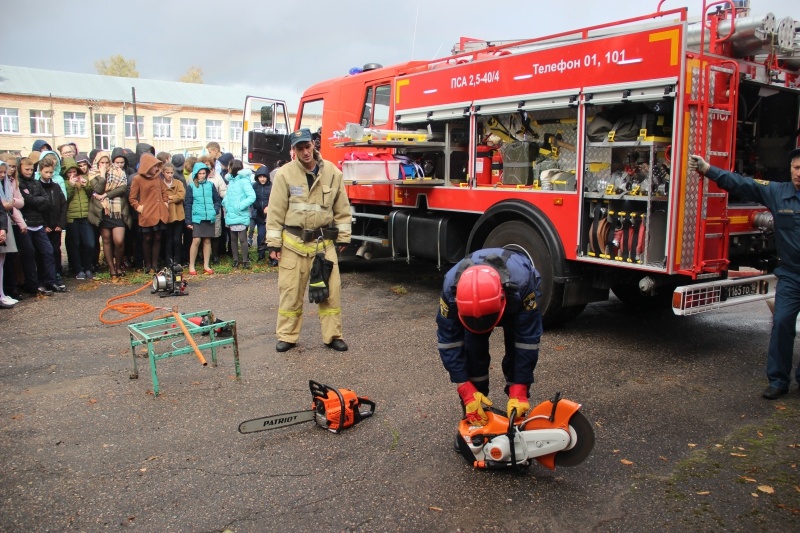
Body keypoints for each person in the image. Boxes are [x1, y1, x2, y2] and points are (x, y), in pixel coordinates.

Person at [690, 150, 800, 400]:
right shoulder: (778, 192)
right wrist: (708, 170)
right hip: (792, 276)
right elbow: (744, 184)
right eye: (795, 168)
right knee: (782, 324)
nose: (798, 173)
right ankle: (778, 380)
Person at [266, 128, 352, 353]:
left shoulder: (332, 172)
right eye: (299, 148)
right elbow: (275, 212)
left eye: (307, 146)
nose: (305, 152)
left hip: (323, 246)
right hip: (293, 245)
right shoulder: (284, 174)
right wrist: (274, 244)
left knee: (331, 294)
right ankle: (287, 336)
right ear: (293, 150)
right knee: (290, 293)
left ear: (313, 145)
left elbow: (342, 208)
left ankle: (333, 336)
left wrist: (343, 236)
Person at [436, 247, 543, 426]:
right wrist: (464, 386)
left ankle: (516, 409)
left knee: (517, 347)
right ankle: (476, 413)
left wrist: (520, 386)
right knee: (473, 352)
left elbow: (527, 341)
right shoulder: (451, 291)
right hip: (475, 303)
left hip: (513, 296)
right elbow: (449, 342)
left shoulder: (523, 285)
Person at [18, 155, 61, 295]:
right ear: (20, 169)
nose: (29, 172)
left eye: (31, 169)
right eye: (26, 169)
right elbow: (27, 201)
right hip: (26, 224)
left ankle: (50, 281)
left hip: (38, 224)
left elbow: (47, 201)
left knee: (49, 252)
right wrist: (37, 201)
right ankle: (33, 285)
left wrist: (35, 202)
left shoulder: (36, 183)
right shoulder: (20, 183)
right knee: (30, 255)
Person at [88, 151, 131, 281]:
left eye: (107, 162)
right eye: (102, 162)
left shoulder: (119, 171)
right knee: (106, 240)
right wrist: (102, 175)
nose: (105, 165)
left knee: (119, 241)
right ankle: (112, 269)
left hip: (117, 210)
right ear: (98, 162)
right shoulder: (93, 174)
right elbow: (99, 189)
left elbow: (123, 189)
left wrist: (106, 195)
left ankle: (118, 266)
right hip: (103, 211)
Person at [129, 154, 169, 274]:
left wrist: (166, 202)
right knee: (147, 238)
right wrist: (138, 207)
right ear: (147, 166)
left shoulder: (158, 178)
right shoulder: (137, 179)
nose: (157, 169)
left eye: (157, 166)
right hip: (147, 214)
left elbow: (164, 191)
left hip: (159, 212)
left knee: (157, 238)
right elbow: (132, 198)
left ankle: (155, 264)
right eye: (154, 166)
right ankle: (147, 264)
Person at [184, 162, 221, 275]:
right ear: (195, 174)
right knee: (196, 240)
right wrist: (188, 220)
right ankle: (191, 265)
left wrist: (214, 210)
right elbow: (188, 204)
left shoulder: (210, 185)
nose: (202, 175)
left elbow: (217, 200)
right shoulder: (191, 187)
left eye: (204, 173)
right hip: (197, 217)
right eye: (199, 173)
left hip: (209, 217)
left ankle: (206, 265)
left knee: (207, 240)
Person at [63, 157, 95, 280]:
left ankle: (87, 267)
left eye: (74, 172)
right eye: (69, 173)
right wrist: (71, 186)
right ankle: (78, 269)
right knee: (74, 244)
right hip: (72, 217)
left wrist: (86, 186)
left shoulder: (84, 179)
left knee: (89, 243)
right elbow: (66, 199)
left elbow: (91, 194)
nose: (72, 175)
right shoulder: (64, 183)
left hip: (85, 216)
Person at [39, 157, 68, 286]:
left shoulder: (56, 186)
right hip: (44, 226)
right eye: (46, 172)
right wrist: (44, 225)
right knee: (45, 252)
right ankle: (46, 276)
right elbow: (38, 209)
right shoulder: (37, 186)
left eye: (51, 172)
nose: (49, 175)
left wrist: (61, 224)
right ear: (40, 171)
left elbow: (63, 205)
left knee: (56, 250)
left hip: (56, 225)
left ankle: (57, 273)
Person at [221, 159, 255, 268]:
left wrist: (240, 206)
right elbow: (229, 194)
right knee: (233, 238)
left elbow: (251, 196)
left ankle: (245, 260)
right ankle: (235, 260)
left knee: (242, 238)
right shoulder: (231, 180)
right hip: (231, 213)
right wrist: (225, 202)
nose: (227, 168)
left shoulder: (244, 180)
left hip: (240, 213)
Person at [0, 162, 19, 308]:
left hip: (4, 224)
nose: (2, 175)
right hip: (2, 225)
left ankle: (1, 294)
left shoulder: (6, 185)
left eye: (3, 172)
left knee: (2, 261)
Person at [161, 163, 186, 267]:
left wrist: (169, 198)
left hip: (178, 215)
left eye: (171, 172)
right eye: (167, 173)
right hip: (167, 215)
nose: (170, 175)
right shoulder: (160, 184)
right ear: (163, 173)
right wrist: (173, 198)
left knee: (177, 239)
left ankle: (178, 260)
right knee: (168, 239)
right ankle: (168, 260)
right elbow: (160, 197)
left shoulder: (178, 182)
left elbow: (181, 196)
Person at [252, 166, 272, 262]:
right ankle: (261, 254)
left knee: (271, 236)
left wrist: (269, 207)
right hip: (259, 215)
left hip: (271, 215)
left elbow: (275, 199)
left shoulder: (272, 186)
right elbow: (253, 199)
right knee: (260, 235)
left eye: (264, 177)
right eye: (260, 177)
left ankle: (272, 256)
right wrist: (260, 208)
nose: (262, 179)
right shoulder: (254, 186)